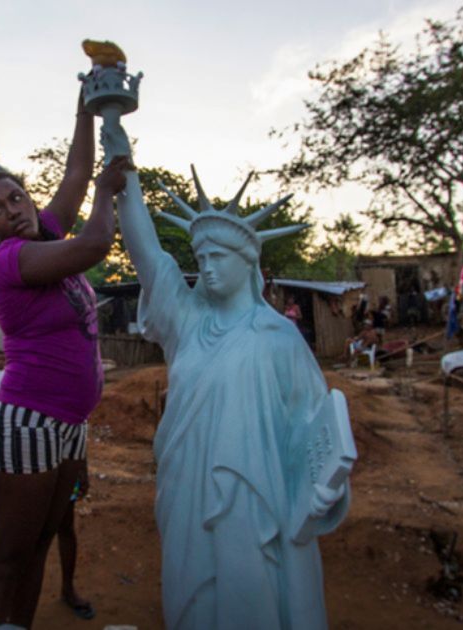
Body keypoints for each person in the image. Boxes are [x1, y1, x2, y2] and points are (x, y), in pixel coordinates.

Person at [113, 137, 350, 625]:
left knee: (253, 598)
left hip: (256, 498)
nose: (206, 266)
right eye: (200, 257)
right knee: (190, 602)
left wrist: (329, 489)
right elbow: (146, 251)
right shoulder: (187, 324)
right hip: (185, 490)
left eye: (218, 256)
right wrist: (121, 157)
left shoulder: (280, 339)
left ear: (248, 263)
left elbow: (315, 428)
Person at [0, 85, 126, 626]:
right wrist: (109, 193)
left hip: (66, 422)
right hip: (28, 419)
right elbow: (95, 245)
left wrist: (84, 108)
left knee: (41, 541)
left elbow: (78, 171)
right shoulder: (10, 262)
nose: (10, 212)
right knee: (8, 556)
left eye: (15, 197)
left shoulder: (44, 231)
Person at [57, 483, 94, 620]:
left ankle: (68, 590)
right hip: (33, 471)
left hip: (66, 469)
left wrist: (81, 468)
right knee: (32, 533)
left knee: (66, 527)